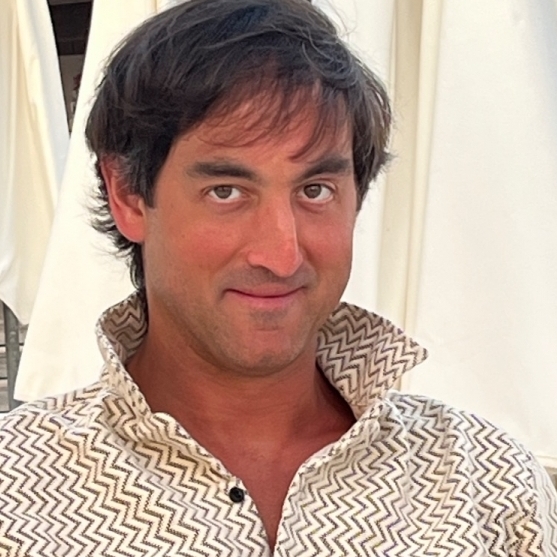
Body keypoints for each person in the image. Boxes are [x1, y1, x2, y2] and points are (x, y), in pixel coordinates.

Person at [0, 0, 556, 554]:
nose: (281, 254)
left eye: (315, 190)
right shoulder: (16, 495)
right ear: (128, 195)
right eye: (226, 192)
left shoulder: (489, 487)